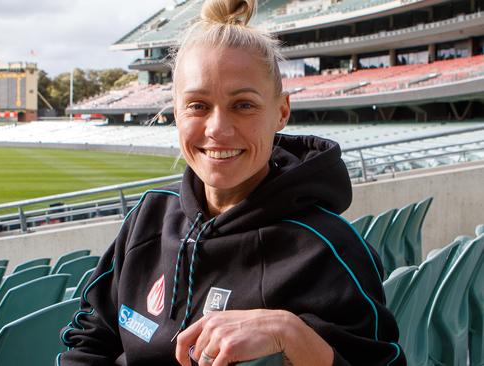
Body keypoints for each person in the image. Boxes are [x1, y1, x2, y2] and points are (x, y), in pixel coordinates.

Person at [58, 0, 405, 365]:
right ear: (176, 112)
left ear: (282, 111)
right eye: (197, 105)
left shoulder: (328, 250)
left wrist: (289, 333)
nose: (218, 129)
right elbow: (91, 342)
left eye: (243, 105)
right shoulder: (149, 216)